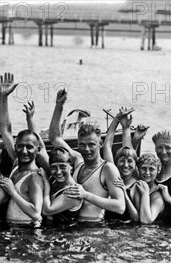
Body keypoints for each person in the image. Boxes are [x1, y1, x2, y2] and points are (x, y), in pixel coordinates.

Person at [48, 89, 125, 223]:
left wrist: (85, 195)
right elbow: (54, 138)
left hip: (94, 228)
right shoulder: (77, 160)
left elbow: (120, 206)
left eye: (91, 145)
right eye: (82, 145)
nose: (86, 149)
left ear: (100, 144)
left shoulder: (108, 169)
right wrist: (59, 105)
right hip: (72, 225)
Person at [0, 73, 44, 226]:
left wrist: (12, 192)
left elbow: (36, 213)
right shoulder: (17, 163)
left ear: (37, 150)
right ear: (15, 148)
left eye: (29, 147)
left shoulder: (35, 177)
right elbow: (5, 130)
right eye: (20, 146)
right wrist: (3, 98)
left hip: (27, 233)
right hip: (12, 229)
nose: (24, 151)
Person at [102, 107, 146, 222]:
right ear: (116, 162)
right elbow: (107, 146)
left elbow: (136, 218)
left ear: (135, 165)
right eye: (122, 160)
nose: (125, 165)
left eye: (130, 161)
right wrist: (117, 120)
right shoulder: (113, 175)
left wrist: (124, 194)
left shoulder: (136, 186)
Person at [40, 147, 83, 226]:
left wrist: (46, 184)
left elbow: (46, 211)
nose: (58, 172)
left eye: (63, 167)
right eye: (54, 167)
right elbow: (40, 151)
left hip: (65, 235)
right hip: (50, 231)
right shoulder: (53, 180)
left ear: (71, 167)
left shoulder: (73, 192)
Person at [132, 153, 165, 224]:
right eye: (143, 168)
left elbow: (146, 221)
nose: (147, 172)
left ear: (158, 170)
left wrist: (145, 194)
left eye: (151, 169)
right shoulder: (136, 185)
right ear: (138, 169)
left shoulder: (157, 196)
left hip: (152, 232)